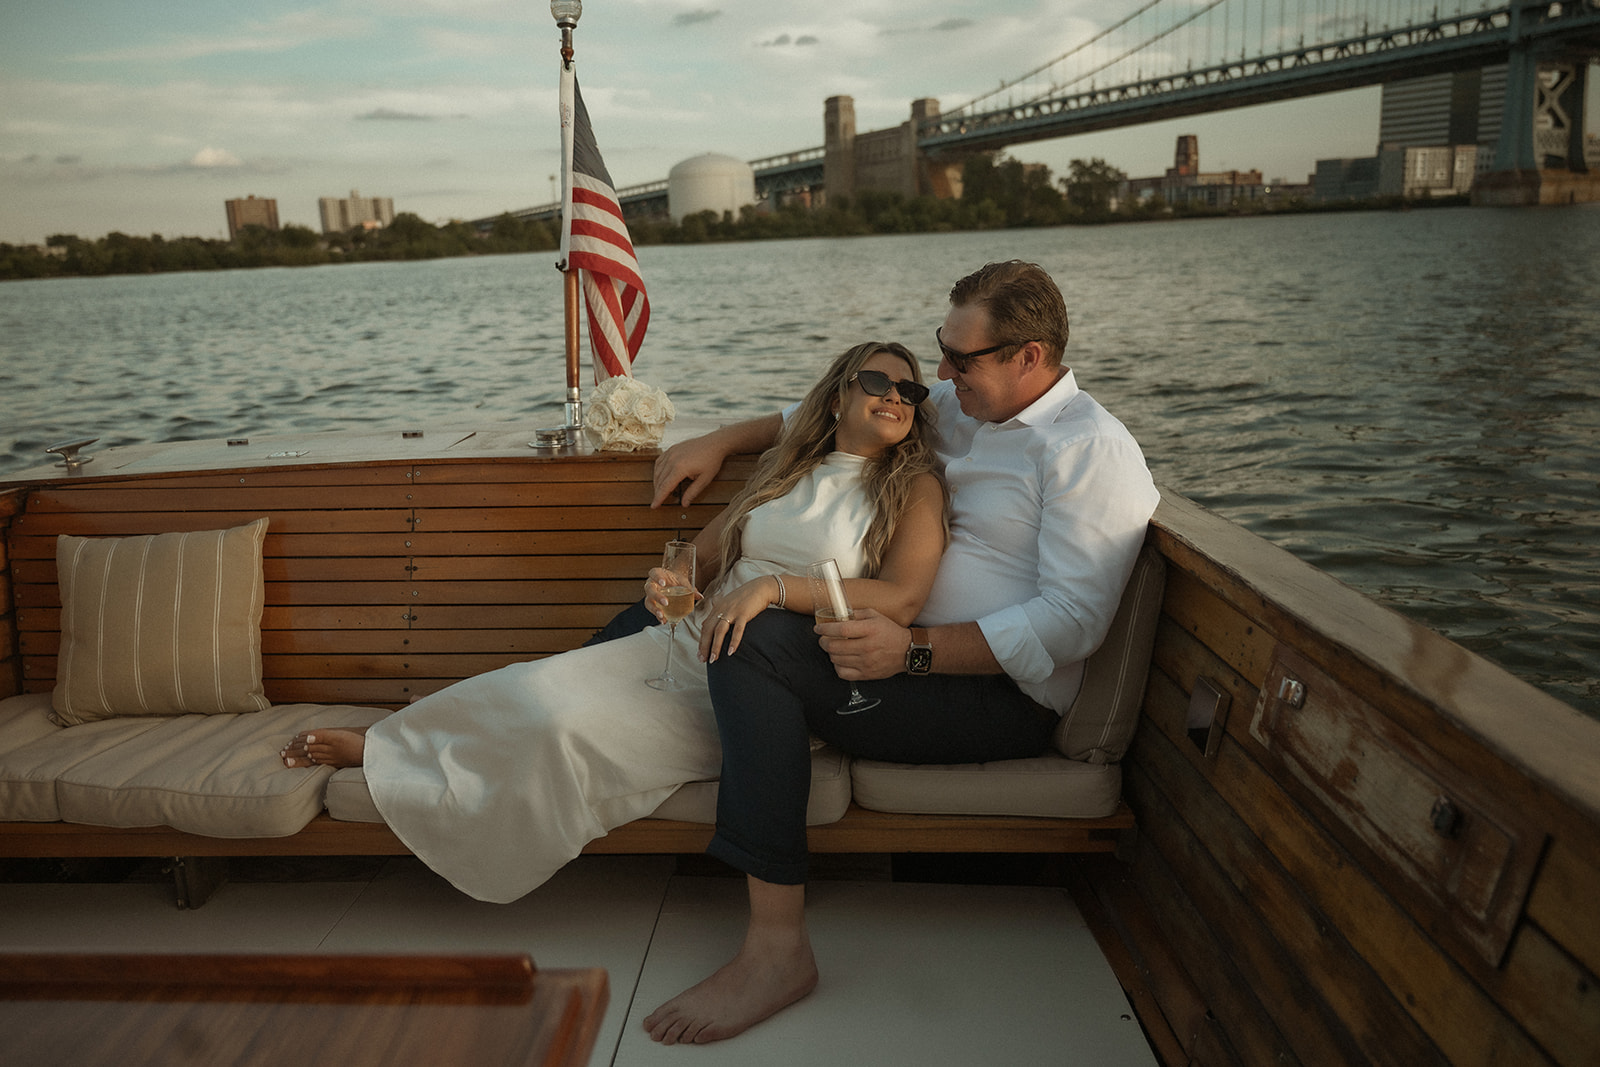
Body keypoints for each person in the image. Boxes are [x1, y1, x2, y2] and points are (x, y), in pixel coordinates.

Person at [638, 260, 1161, 1045]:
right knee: (687, 625)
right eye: (939, 352)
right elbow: (814, 412)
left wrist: (911, 652)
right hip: (890, 652)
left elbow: (1070, 623)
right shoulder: (964, 406)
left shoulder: (1090, 450)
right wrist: (720, 439)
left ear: (1030, 356)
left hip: (991, 697)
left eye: (961, 358)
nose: (942, 375)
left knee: (757, 641)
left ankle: (777, 950)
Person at [279, 341, 948, 905]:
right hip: (683, 639)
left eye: (910, 391)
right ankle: (387, 744)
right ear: (836, 397)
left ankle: (410, 762)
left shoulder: (911, 486)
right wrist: (670, 582)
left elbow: (901, 597)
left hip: (762, 681)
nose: (894, 395)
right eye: (876, 381)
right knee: (531, 687)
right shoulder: (785, 468)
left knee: (561, 725)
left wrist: (778, 588)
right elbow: (703, 555)